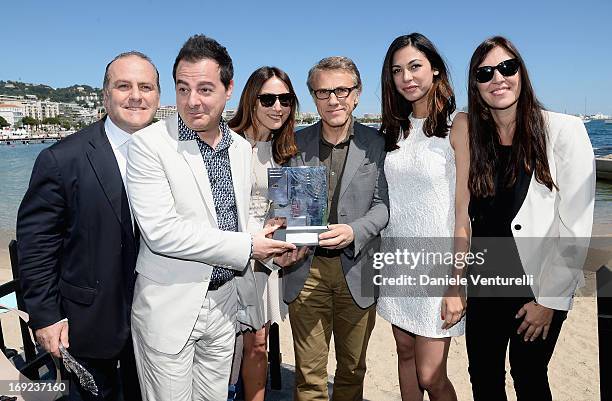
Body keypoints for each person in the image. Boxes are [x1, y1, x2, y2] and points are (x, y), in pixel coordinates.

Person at [125, 35, 295, 401]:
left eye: (204, 88)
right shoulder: (147, 145)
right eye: (182, 89)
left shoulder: (238, 147)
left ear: (228, 89)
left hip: (224, 304)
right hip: (170, 310)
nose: (191, 101)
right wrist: (251, 245)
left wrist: (270, 242)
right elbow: (162, 233)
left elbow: (232, 218)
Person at [16, 51, 160, 400]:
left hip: (155, 324)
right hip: (86, 323)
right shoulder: (62, 159)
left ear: (158, 96)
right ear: (104, 94)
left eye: (146, 87)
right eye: (123, 86)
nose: (136, 95)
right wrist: (46, 317)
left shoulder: (174, 153)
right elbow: (36, 247)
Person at [463, 36, 595, 401]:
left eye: (507, 67)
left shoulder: (563, 131)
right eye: (485, 73)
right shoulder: (473, 137)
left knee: (528, 375)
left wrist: (550, 300)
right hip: (484, 281)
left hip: (536, 286)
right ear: (475, 85)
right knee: (483, 378)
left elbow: (576, 225)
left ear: (521, 72)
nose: (498, 79)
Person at [278, 56, 389, 401]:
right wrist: (284, 234)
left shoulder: (378, 144)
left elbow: (384, 206)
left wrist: (354, 230)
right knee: (309, 378)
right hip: (305, 268)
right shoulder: (295, 143)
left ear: (356, 94)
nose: (333, 100)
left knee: (352, 371)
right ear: (313, 97)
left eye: (342, 90)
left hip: (357, 268)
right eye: (324, 92)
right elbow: (284, 206)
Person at [377, 33, 469, 401]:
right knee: (405, 354)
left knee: (431, 376)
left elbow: (463, 213)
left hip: (438, 266)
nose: (407, 77)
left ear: (434, 69)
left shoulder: (458, 125)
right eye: (398, 70)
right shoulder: (393, 130)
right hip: (397, 261)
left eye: (415, 66)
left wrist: (456, 284)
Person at [228, 66, 303, 401]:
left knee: (258, 342)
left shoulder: (284, 150)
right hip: (230, 253)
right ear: (251, 100)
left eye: (285, 99)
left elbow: (293, 213)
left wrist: (296, 243)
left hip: (266, 261)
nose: (278, 106)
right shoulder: (226, 143)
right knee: (227, 345)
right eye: (269, 98)